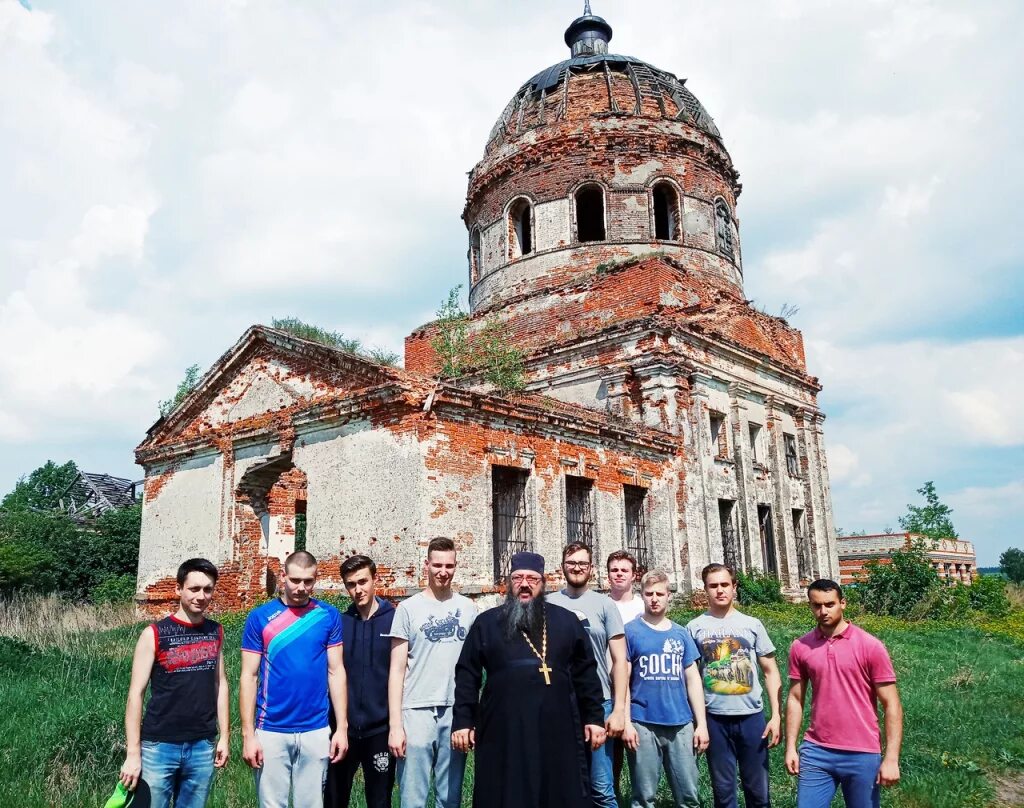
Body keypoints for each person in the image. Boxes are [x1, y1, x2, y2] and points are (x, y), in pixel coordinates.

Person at [452, 551, 606, 807]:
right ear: (509, 583)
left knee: (558, 787)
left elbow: (586, 673)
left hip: (559, 726)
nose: (525, 584)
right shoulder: (487, 623)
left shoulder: (566, 621)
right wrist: (463, 721)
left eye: (532, 579)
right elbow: (467, 673)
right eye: (518, 578)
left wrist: (594, 718)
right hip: (504, 728)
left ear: (542, 583)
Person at [240, 550, 348, 808]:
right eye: (295, 580)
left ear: (316, 579)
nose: (301, 588)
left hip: (316, 729)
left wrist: (341, 728)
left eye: (308, 581)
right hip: (271, 729)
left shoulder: (327, 615)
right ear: (283, 576)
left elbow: (336, 672)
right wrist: (248, 735)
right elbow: (248, 676)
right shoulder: (260, 618)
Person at [119, 558, 229, 808]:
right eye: (194, 588)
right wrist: (133, 753)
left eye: (207, 589)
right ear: (179, 589)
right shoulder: (154, 634)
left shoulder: (216, 631)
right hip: (159, 746)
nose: (201, 596)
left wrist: (224, 737)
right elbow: (135, 694)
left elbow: (220, 684)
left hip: (202, 744)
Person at [785, 579, 903, 808]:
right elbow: (795, 699)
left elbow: (892, 704)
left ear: (843, 603)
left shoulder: (870, 646)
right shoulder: (801, 646)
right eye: (816, 605)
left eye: (829, 604)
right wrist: (791, 746)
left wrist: (891, 758)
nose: (823, 611)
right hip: (816, 751)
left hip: (862, 752)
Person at [387, 537, 476, 808]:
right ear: (426, 564)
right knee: (413, 798)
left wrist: (469, 717)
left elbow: (473, 668)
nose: (443, 571)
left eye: (449, 565)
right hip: (416, 710)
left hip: (454, 709)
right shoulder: (408, 609)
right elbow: (396, 669)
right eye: (437, 564)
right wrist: (395, 726)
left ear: (455, 566)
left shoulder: (468, 609)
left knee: (449, 798)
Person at [686, 563, 782, 808]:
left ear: (734, 587)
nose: (720, 590)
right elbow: (691, 677)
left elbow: (771, 672)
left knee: (758, 791)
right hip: (714, 719)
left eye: (725, 584)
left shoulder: (752, 624)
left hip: (751, 718)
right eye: (713, 586)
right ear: (705, 589)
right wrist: (697, 722)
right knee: (723, 791)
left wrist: (776, 716)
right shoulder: (695, 627)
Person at [548, 542, 627, 808]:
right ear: (563, 568)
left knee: (601, 787)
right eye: (572, 563)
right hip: (559, 704)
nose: (577, 568)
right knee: (563, 783)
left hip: (598, 703)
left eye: (583, 563)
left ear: (591, 569)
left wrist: (618, 710)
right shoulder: (548, 603)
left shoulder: (604, 605)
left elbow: (619, 660)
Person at [623, 569, 708, 808]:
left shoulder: (680, 633)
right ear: (642, 595)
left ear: (668, 595)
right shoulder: (630, 632)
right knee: (643, 797)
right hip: (643, 721)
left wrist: (701, 724)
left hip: (680, 723)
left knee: (689, 795)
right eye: (649, 593)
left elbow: (693, 681)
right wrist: (627, 723)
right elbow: (623, 680)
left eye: (660, 593)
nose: (654, 598)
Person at [325, 555, 396, 808]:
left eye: (363, 581)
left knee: (379, 801)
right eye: (351, 584)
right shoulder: (341, 623)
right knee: (334, 799)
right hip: (343, 729)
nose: (358, 589)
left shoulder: (394, 620)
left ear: (375, 579)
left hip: (380, 730)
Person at [607, 549, 644, 625]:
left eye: (624, 570)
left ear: (633, 576)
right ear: (608, 575)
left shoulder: (643, 608)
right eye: (614, 570)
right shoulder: (601, 605)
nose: (619, 573)